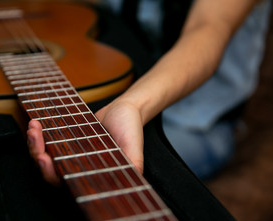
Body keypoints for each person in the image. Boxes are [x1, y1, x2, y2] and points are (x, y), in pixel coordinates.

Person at [27, 0, 272, 184]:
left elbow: (207, 29)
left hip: (192, 123)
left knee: (110, 174)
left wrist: (131, 105)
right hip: (112, 91)